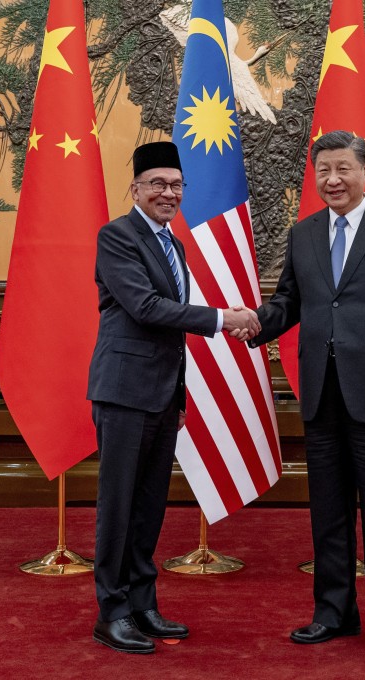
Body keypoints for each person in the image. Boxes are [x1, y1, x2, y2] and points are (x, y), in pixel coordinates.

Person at [245, 130, 365, 661]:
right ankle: (333, 613)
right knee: (327, 513)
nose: (332, 180)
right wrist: (252, 324)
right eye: (323, 171)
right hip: (322, 395)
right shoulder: (303, 233)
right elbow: (290, 301)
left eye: (342, 169)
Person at [87, 141, 259, 654]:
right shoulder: (117, 236)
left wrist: (179, 398)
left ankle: (142, 605)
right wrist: (222, 318)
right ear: (135, 188)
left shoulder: (174, 244)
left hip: (162, 397)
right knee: (118, 507)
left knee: (149, 507)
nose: (168, 193)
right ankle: (110, 613)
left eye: (176, 186)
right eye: (158, 184)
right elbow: (145, 308)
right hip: (123, 392)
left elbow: (170, 334)